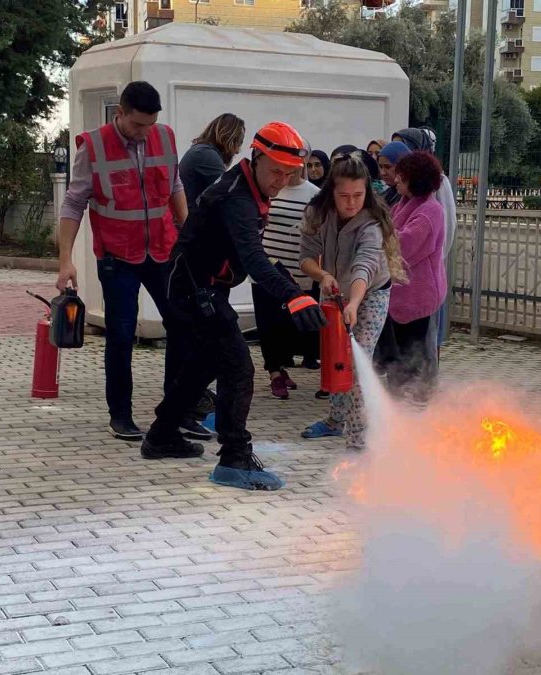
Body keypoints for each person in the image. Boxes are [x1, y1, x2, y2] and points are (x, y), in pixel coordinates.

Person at [140, 122, 326, 490]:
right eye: (276, 171)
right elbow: (254, 258)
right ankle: (234, 458)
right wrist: (293, 295)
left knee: (203, 366)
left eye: (290, 174)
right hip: (193, 290)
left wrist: (292, 289)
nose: (281, 180)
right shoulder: (236, 197)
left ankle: (161, 436)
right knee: (238, 369)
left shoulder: (251, 188)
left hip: (203, 288)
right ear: (255, 158)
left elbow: (256, 257)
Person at [57, 81, 210, 443]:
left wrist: (187, 238)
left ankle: (178, 410)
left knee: (183, 325)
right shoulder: (93, 146)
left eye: (150, 124)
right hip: (117, 254)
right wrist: (65, 260)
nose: (144, 132)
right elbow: (74, 202)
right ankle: (121, 417)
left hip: (162, 250)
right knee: (122, 335)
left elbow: (174, 187)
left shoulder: (165, 137)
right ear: (120, 113)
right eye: (138, 125)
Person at [299, 155, 406, 449]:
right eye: (344, 196)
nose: (351, 202)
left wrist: (354, 303)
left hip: (369, 294)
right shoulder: (316, 212)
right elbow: (305, 257)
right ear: (331, 192)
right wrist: (322, 275)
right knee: (335, 355)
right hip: (332, 288)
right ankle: (335, 420)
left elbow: (365, 266)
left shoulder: (371, 222)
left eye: (358, 195)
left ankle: (359, 440)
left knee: (358, 365)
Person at [378, 151, 447, 401]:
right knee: (398, 356)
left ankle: (414, 404)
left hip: (417, 298)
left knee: (413, 356)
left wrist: (379, 239)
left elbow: (404, 246)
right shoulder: (404, 204)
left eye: (401, 176)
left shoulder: (430, 212)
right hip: (399, 296)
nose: (395, 179)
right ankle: (399, 398)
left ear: (415, 180)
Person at [253, 157, 321, 398]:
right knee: (269, 324)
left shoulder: (315, 194)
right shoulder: (270, 191)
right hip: (268, 268)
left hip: (300, 270)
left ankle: (284, 365)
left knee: (291, 325)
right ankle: (274, 372)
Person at [179, 113, 246, 211]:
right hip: (189, 220)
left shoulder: (202, 150)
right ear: (228, 138)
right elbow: (230, 194)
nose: (237, 151)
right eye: (238, 143)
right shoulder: (207, 155)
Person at [376, 141, 410, 207]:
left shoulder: (410, 198)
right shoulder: (385, 196)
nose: (383, 173)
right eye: (380, 167)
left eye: (387, 167)